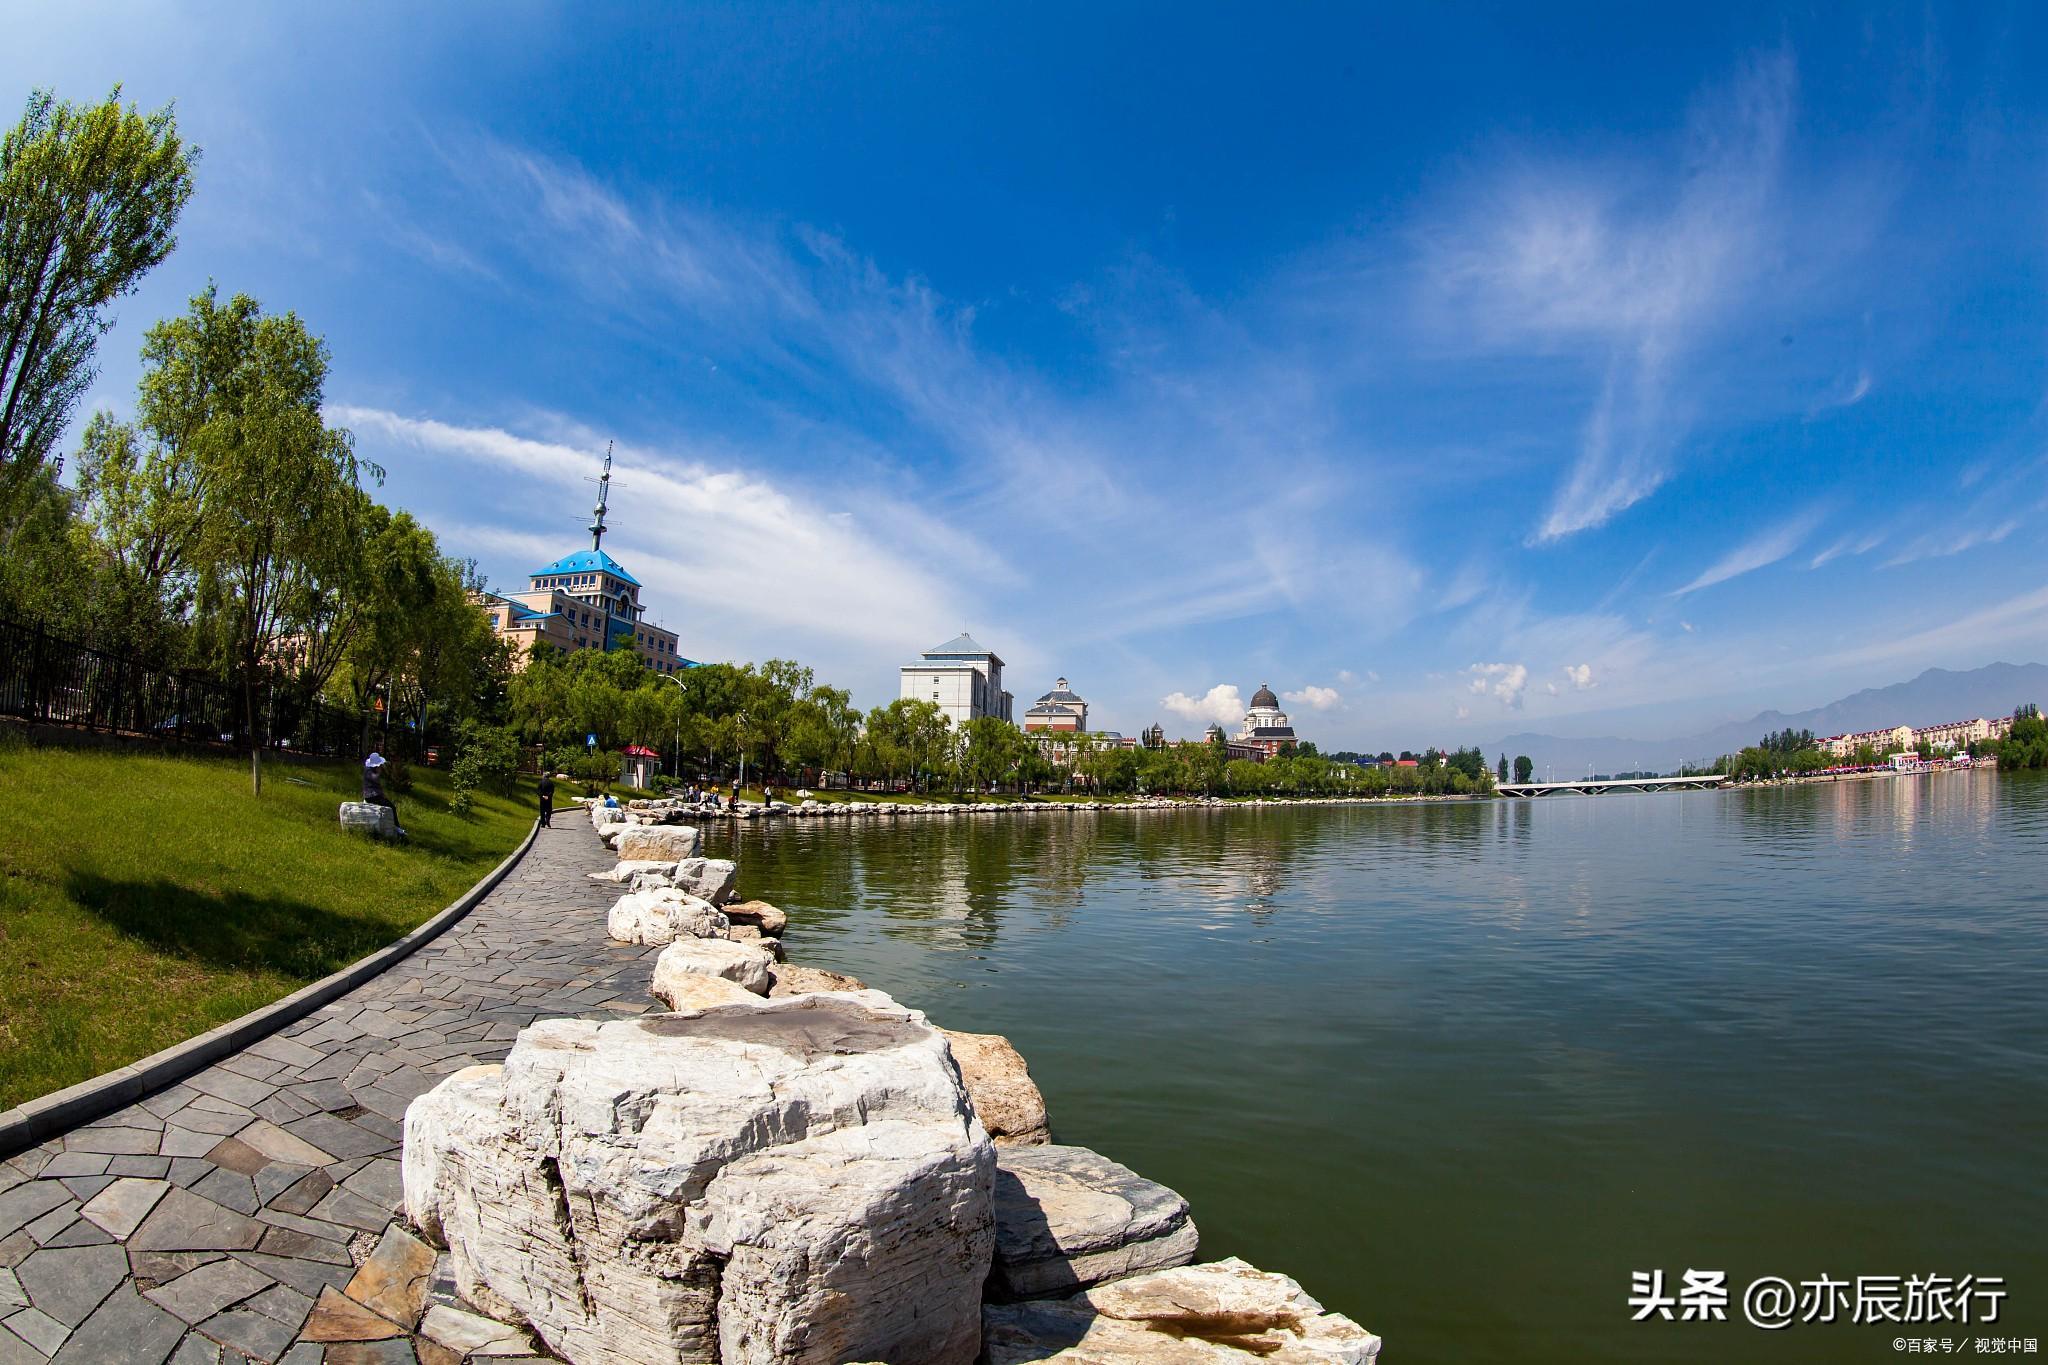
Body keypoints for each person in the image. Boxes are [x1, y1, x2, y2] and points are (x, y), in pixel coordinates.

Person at [362, 752, 405, 837]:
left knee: (390, 806)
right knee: (392, 807)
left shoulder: (370, 770)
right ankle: (397, 827)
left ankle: (395, 826)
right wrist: (379, 772)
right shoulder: (369, 770)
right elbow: (374, 778)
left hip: (374, 795)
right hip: (372, 796)